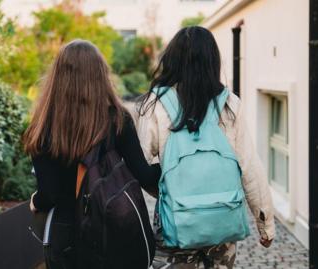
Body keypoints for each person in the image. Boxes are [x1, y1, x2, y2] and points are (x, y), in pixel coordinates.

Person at [135, 26, 275, 269]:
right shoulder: (230, 104)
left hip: (175, 224)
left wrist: (170, 192)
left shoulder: (155, 104)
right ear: (213, 60)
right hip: (222, 221)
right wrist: (265, 225)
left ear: (172, 59)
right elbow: (250, 167)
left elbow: (141, 166)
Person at [23, 39, 161, 268]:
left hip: (66, 238)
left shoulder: (45, 125)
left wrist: (35, 202)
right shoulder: (118, 119)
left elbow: (50, 195)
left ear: (58, 76)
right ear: (100, 76)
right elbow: (145, 176)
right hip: (111, 234)